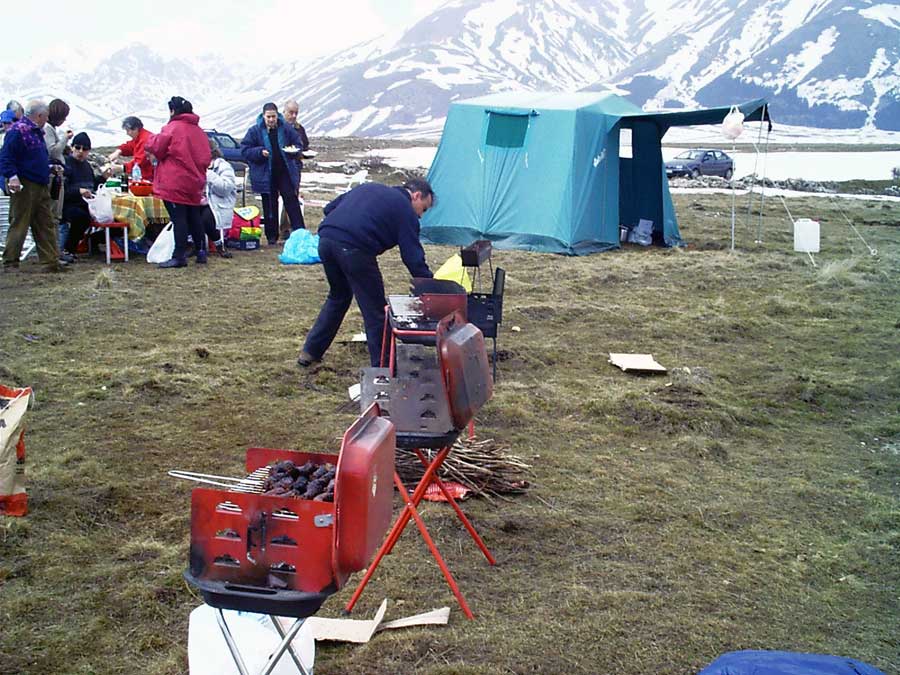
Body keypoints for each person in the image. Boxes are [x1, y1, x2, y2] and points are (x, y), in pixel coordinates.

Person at [299, 178, 435, 368]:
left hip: (327, 241)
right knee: (376, 311)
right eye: (424, 209)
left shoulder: (369, 187)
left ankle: (311, 351)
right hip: (354, 250)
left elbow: (329, 208)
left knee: (339, 296)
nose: (421, 215)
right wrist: (430, 285)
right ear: (416, 195)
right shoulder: (405, 210)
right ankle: (383, 366)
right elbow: (412, 257)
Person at [145, 96, 211, 268]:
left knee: (179, 218)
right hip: (194, 181)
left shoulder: (171, 128)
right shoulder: (200, 132)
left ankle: (179, 256)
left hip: (174, 181)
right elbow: (206, 157)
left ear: (173, 110)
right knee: (194, 216)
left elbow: (156, 147)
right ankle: (201, 251)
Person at [0, 99, 66, 272]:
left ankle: (50, 262)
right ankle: (10, 262)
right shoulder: (17, 131)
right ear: (39, 115)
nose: (47, 119)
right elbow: (6, 156)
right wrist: (12, 177)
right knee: (20, 222)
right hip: (25, 184)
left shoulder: (36, 132)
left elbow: (35, 158)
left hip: (40, 183)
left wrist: (50, 167)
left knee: (45, 222)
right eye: (46, 116)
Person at [240, 102, 305, 246]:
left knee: (291, 200)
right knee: (269, 204)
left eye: (273, 116)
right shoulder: (255, 131)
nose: (271, 119)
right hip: (265, 174)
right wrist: (259, 152)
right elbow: (244, 150)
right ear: (263, 116)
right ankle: (271, 237)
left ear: (278, 115)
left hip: (285, 172)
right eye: (268, 117)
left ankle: (300, 232)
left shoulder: (286, 128)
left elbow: (298, 143)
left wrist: (294, 150)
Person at [62, 132, 107, 259]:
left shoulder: (87, 166)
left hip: (87, 204)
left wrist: (103, 178)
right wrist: (79, 191)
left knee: (111, 217)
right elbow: (63, 190)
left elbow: (92, 185)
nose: (81, 151)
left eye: (85, 149)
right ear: (72, 147)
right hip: (69, 204)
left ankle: (94, 241)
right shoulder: (66, 164)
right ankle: (68, 249)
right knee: (81, 217)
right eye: (78, 147)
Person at [278, 99, 310, 240]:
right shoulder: (278, 127)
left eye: (296, 113)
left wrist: (302, 153)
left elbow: (305, 145)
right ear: (284, 111)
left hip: (295, 166)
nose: (294, 116)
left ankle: (293, 227)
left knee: (292, 197)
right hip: (279, 166)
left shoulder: (299, 128)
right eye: (291, 112)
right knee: (278, 198)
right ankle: (282, 227)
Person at [44, 99, 71, 261]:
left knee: (55, 216)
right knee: (53, 215)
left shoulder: (49, 128)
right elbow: (53, 152)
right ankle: (54, 252)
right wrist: (64, 139)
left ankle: (55, 251)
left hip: (56, 176)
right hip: (53, 177)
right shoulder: (47, 129)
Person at [201, 138, 235, 258]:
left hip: (217, 202)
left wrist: (208, 175)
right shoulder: (194, 165)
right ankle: (197, 246)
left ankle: (218, 244)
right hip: (197, 201)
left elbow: (225, 188)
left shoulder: (223, 166)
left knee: (206, 218)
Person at [108, 116, 154, 181]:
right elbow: (130, 146)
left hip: (149, 177)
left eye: (128, 130)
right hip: (144, 175)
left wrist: (122, 168)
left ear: (135, 129)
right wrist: (118, 151)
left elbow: (140, 162)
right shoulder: (140, 137)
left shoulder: (145, 140)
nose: (127, 133)